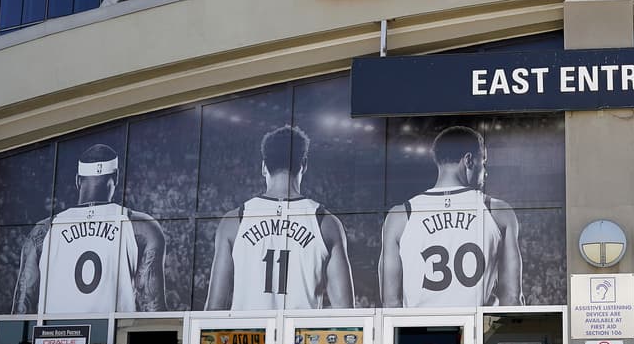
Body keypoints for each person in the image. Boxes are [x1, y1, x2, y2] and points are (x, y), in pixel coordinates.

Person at [205, 125, 354, 310]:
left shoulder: (234, 221)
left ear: (263, 166)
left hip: (248, 337)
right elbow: (345, 310)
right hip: (301, 337)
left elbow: (214, 308)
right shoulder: (326, 223)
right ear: (304, 164)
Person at [13, 144, 168, 313]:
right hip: (112, 337)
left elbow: (21, 308)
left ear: (78, 180)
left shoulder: (43, 230)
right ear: (116, 177)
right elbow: (153, 308)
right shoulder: (143, 227)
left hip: (56, 337)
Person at [380, 126, 523, 307]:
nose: (485, 171)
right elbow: (511, 298)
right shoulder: (498, 212)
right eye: (484, 162)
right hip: (479, 332)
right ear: (469, 160)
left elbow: (391, 303)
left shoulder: (400, 216)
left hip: (420, 333)